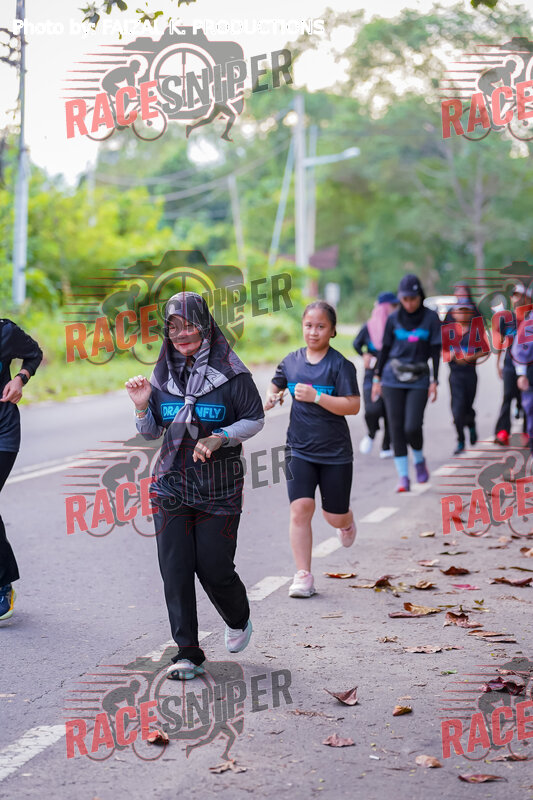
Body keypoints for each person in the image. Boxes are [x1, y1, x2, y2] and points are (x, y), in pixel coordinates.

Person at [126, 292, 264, 680]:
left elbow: (255, 419)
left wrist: (221, 436)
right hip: (170, 484)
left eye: (189, 325)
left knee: (214, 567)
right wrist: (141, 405)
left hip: (219, 487)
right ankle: (187, 652)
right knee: (175, 568)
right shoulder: (162, 377)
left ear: (205, 326)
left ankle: (238, 617)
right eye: (174, 328)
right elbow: (151, 432)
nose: (182, 334)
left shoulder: (232, 374)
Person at [264, 301, 360, 599]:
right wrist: (273, 396)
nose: (314, 332)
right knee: (300, 508)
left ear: (332, 331)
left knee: (333, 516)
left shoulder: (341, 365)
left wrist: (317, 396)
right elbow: (276, 384)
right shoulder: (291, 362)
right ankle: (303, 575)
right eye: (309, 325)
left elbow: (353, 405)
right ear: (302, 327)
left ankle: (346, 522)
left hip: (335, 453)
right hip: (298, 449)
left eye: (321, 326)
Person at [372, 274, 441, 493]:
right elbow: (384, 349)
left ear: (420, 296)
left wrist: (435, 380)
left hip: (419, 378)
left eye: (413, 298)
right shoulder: (393, 319)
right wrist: (377, 377)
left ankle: (419, 459)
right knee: (396, 428)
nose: (409, 303)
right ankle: (403, 477)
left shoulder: (431, 318)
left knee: (412, 427)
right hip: (392, 378)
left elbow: (436, 351)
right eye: (405, 299)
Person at [0, 320, 43, 620]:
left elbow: (34, 353)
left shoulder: (4, 332)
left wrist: (20, 378)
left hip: (2, 431)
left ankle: (2, 585)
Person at [353, 292, 398, 458]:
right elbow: (356, 344)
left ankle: (386, 445)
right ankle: (371, 433)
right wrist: (364, 355)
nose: (395, 308)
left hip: (391, 373)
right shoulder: (369, 327)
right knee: (372, 409)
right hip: (371, 374)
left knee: (389, 411)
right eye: (393, 305)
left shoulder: (397, 326)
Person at [446, 300, 489, 454]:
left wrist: (470, 357)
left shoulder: (475, 332)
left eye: (466, 311)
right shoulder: (449, 332)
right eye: (460, 311)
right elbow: (440, 351)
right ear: (454, 313)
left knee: (467, 406)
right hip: (455, 376)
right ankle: (460, 440)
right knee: (457, 410)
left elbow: (486, 350)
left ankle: (471, 424)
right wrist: (452, 355)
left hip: (470, 375)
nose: (463, 314)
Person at [494, 282, 531, 446]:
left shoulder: (530, 320)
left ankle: (527, 431)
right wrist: (498, 364)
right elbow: (500, 342)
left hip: (527, 365)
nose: (517, 299)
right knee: (507, 396)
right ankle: (502, 431)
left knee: (526, 399)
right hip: (509, 364)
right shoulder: (506, 319)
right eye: (515, 296)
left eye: (520, 296)